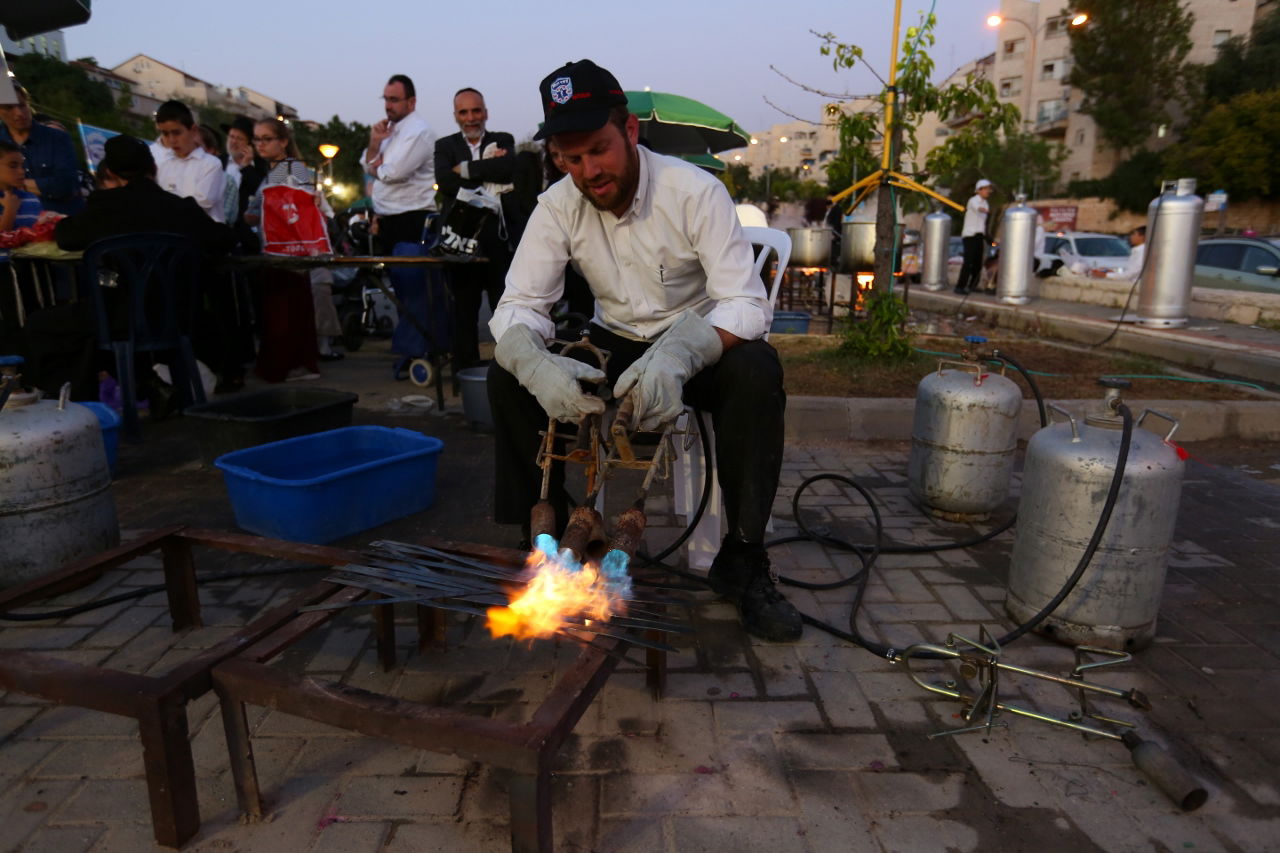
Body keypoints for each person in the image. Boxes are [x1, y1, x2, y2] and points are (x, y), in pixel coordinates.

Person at [487, 59, 798, 642]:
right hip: (614, 343)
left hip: (693, 343)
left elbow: (747, 304)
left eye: (598, 150)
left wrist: (680, 355)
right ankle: (548, 542)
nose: (588, 172)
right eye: (570, 158)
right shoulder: (558, 204)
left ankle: (743, 560)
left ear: (629, 130)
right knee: (507, 374)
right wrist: (532, 361)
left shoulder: (695, 192)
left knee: (757, 371)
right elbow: (519, 305)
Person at [434, 87, 521, 369]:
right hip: (461, 241)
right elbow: (445, 182)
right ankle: (465, 373)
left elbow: (508, 169)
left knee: (504, 310)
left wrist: (465, 169)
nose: (471, 118)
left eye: (476, 111)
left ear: (485, 112)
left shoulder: (503, 139)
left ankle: (509, 371)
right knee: (464, 311)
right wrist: (487, 171)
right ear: (455, 115)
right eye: (464, 112)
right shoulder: (444, 145)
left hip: (497, 240)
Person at [244, 118, 331, 381]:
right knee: (285, 312)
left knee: (286, 313)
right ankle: (293, 364)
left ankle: (292, 365)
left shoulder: (290, 169)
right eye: (257, 139)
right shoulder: (277, 170)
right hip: (280, 251)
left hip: (287, 253)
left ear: (282, 142)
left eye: (266, 139)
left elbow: (299, 207)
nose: (260, 144)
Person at [363, 74, 437, 254]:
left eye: (394, 100)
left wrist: (375, 167)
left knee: (407, 271)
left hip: (411, 221)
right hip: (385, 221)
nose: (388, 106)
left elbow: (392, 174)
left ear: (411, 102)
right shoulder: (388, 130)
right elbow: (367, 165)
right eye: (386, 99)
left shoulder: (419, 132)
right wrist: (374, 143)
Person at [0, 86, 82, 216]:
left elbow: (67, 185)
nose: (19, 113)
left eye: (22, 105)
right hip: (16, 224)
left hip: (62, 220)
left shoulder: (57, 137)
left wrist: (14, 184)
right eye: (9, 108)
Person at [153, 100, 226, 223]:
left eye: (177, 133)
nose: (171, 140)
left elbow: (201, 206)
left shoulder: (211, 164)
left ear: (193, 130)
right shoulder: (162, 164)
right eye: (165, 134)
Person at [956, 178, 993, 294]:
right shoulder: (973, 200)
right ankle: (960, 286)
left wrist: (990, 240)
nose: (988, 191)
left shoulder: (986, 203)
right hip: (970, 235)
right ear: (979, 190)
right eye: (986, 189)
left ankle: (973, 285)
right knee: (968, 261)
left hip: (979, 235)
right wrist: (986, 211)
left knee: (977, 262)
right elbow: (979, 209)